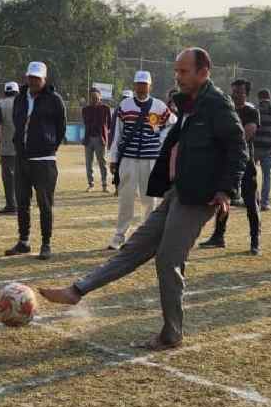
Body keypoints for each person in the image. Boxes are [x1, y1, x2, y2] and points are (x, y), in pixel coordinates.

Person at [39, 47, 247, 351]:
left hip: (201, 197)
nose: (178, 76)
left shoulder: (216, 104)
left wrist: (226, 190)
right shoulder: (188, 104)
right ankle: (76, 290)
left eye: (184, 71)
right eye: (176, 70)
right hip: (180, 191)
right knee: (135, 246)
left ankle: (171, 334)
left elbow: (239, 149)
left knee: (167, 258)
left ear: (204, 72)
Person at [5, 61, 67, 261]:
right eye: (30, 77)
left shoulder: (55, 100)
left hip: (44, 160)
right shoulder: (20, 98)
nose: (33, 81)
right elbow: (17, 121)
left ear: (44, 79)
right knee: (22, 201)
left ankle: (46, 243)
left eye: (37, 78)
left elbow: (61, 127)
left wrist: (49, 145)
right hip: (22, 158)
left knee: (44, 203)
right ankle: (23, 241)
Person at [107, 71, 174, 250]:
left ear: (150, 86)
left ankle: (148, 238)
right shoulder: (125, 105)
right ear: (134, 85)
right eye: (138, 84)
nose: (141, 87)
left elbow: (172, 124)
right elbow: (117, 135)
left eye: (144, 84)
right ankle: (119, 236)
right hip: (128, 159)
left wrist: (160, 138)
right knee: (125, 198)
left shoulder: (159, 107)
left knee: (149, 200)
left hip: (150, 160)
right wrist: (114, 158)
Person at [199, 78, 261, 254]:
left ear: (246, 93)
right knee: (222, 199)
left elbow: (248, 132)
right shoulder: (227, 109)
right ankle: (219, 236)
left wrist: (229, 141)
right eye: (233, 92)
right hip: (227, 163)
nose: (236, 95)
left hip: (245, 163)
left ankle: (255, 241)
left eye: (240, 92)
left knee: (251, 202)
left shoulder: (251, 111)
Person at [253, 88, 271, 211]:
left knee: (251, 175)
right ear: (269, 97)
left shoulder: (254, 110)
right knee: (267, 176)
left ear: (259, 97)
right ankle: (264, 203)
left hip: (254, 146)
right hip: (268, 147)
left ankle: (252, 200)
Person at [82, 86, 112, 193]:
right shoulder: (85, 109)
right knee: (88, 163)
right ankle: (91, 184)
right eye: (92, 97)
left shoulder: (105, 108)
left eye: (96, 96)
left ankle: (104, 185)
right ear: (89, 98)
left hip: (100, 139)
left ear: (100, 97)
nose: (94, 98)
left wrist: (104, 134)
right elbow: (86, 122)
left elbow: (109, 124)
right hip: (88, 139)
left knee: (102, 162)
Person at [0, 81, 20, 215]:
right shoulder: (25, 102)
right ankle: (22, 203)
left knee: (8, 177)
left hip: (7, 147)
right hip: (24, 146)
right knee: (22, 176)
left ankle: (11, 205)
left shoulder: (1, 104)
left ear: (5, 92)